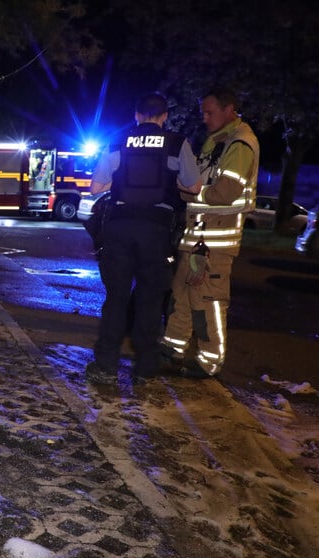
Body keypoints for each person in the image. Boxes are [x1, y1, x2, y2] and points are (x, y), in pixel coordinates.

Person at [85, 92, 201, 385]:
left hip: (120, 228)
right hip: (157, 231)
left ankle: (106, 367)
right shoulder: (177, 143)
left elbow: (95, 187)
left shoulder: (117, 141)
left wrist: (120, 182)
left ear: (136, 115)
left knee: (116, 299)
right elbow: (195, 186)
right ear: (164, 117)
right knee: (151, 298)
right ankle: (146, 369)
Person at [162, 87, 259, 379]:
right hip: (197, 239)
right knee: (181, 294)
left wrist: (188, 194)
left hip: (215, 244)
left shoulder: (240, 144)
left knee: (208, 301)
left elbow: (225, 192)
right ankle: (172, 350)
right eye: (202, 112)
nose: (204, 118)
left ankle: (208, 362)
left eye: (210, 112)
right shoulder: (217, 142)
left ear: (229, 109)